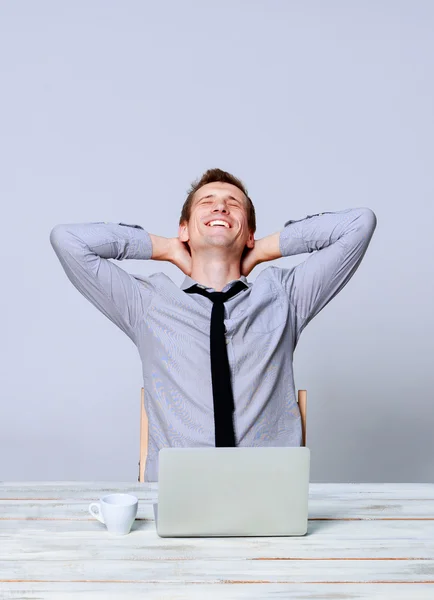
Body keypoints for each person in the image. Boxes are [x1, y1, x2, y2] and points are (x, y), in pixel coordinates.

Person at [50, 168, 377, 481]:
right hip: (180, 491)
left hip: (267, 491)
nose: (220, 205)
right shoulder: (148, 302)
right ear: (185, 229)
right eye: (206, 202)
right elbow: (68, 240)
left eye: (233, 204)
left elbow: (359, 224)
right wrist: (165, 248)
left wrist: (263, 249)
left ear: (248, 232)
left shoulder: (284, 296)